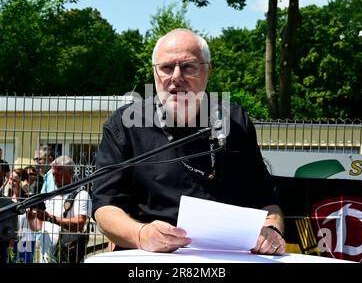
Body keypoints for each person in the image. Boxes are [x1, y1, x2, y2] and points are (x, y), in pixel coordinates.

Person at [92, 28, 285, 255]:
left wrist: (272, 230)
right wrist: (140, 234)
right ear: (155, 73)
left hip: (228, 257)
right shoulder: (126, 124)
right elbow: (105, 207)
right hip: (149, 257)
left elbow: (266, 198)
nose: (176, 77)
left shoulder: (235, 121)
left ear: (207, 71)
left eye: (188, 67)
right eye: (166, 67)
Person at [27, 156, 91, 263]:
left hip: (68, 258)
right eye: (53, 174)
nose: (55, 178)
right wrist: (31, 218)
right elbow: (37, 227)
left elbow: (80, 225)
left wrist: (49, 218)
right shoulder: (49, 196)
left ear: (71, 173)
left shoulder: (81, 195)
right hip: (45, 258)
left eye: (59, 174)